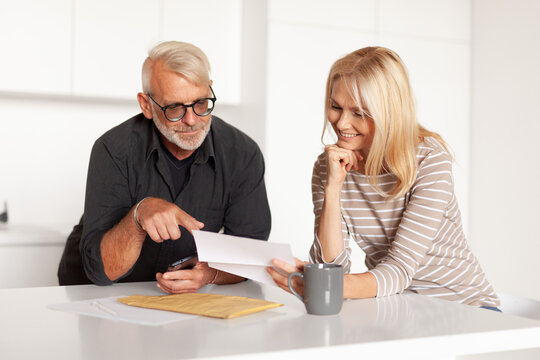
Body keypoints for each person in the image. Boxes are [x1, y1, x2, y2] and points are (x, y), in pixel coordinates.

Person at [268, 46, 500, 308]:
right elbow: (333, 268)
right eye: (335, 107)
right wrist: (333, 187)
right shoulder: (330, 165)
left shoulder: (429, 161)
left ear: (390, 113)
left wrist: (323, 283)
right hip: (397, 306)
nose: (342, 123)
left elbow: (398, 270)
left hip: (464, 308)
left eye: (359, 113)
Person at [58, 41, 271, 293]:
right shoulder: (113, 150)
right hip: (93, 290)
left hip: (173, 299)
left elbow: (250, 254)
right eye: (174, 108)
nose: (191, 120)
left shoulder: (242, 154)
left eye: (201, 103)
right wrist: (139, 215)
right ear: (146, 105)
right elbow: (104, 271)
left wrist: (210, 274)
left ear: (210, 90)